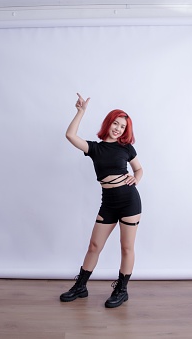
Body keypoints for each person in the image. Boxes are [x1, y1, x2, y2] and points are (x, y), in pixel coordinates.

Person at [60, 93, 143, 308]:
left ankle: (122, 290)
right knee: (94, 245)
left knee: (126, 248)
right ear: (109, 123)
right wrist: (80, 112)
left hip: (129, 202)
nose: (118, 129)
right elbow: (70, 135)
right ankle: (81, 286)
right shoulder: (95, 148)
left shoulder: (126, 148)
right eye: (116, 123)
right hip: (108, 203)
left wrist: (136, 178)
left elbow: (139, 169)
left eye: (123, 127)